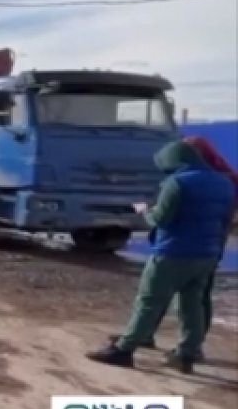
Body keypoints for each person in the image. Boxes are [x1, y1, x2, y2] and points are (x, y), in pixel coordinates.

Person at [87, 140, 235, 374]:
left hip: (172, 252)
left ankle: (124, 350)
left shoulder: (177, 183)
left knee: (148, 301)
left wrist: (144, 210)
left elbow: (160, 219)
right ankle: (186, 354)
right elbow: (224, 219)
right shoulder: (223, 182)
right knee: (192, 304)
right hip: (207, 253)